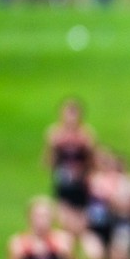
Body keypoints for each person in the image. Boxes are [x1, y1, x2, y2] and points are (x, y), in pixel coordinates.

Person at [43, 98, 96, 244]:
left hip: (81, 185)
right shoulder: (54, 134)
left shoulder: (86, 135)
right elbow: (48, 162)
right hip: (63, 184)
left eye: (74, 114)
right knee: (64, 223)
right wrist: (54, 147)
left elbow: (92, 162)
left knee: (80, 226)